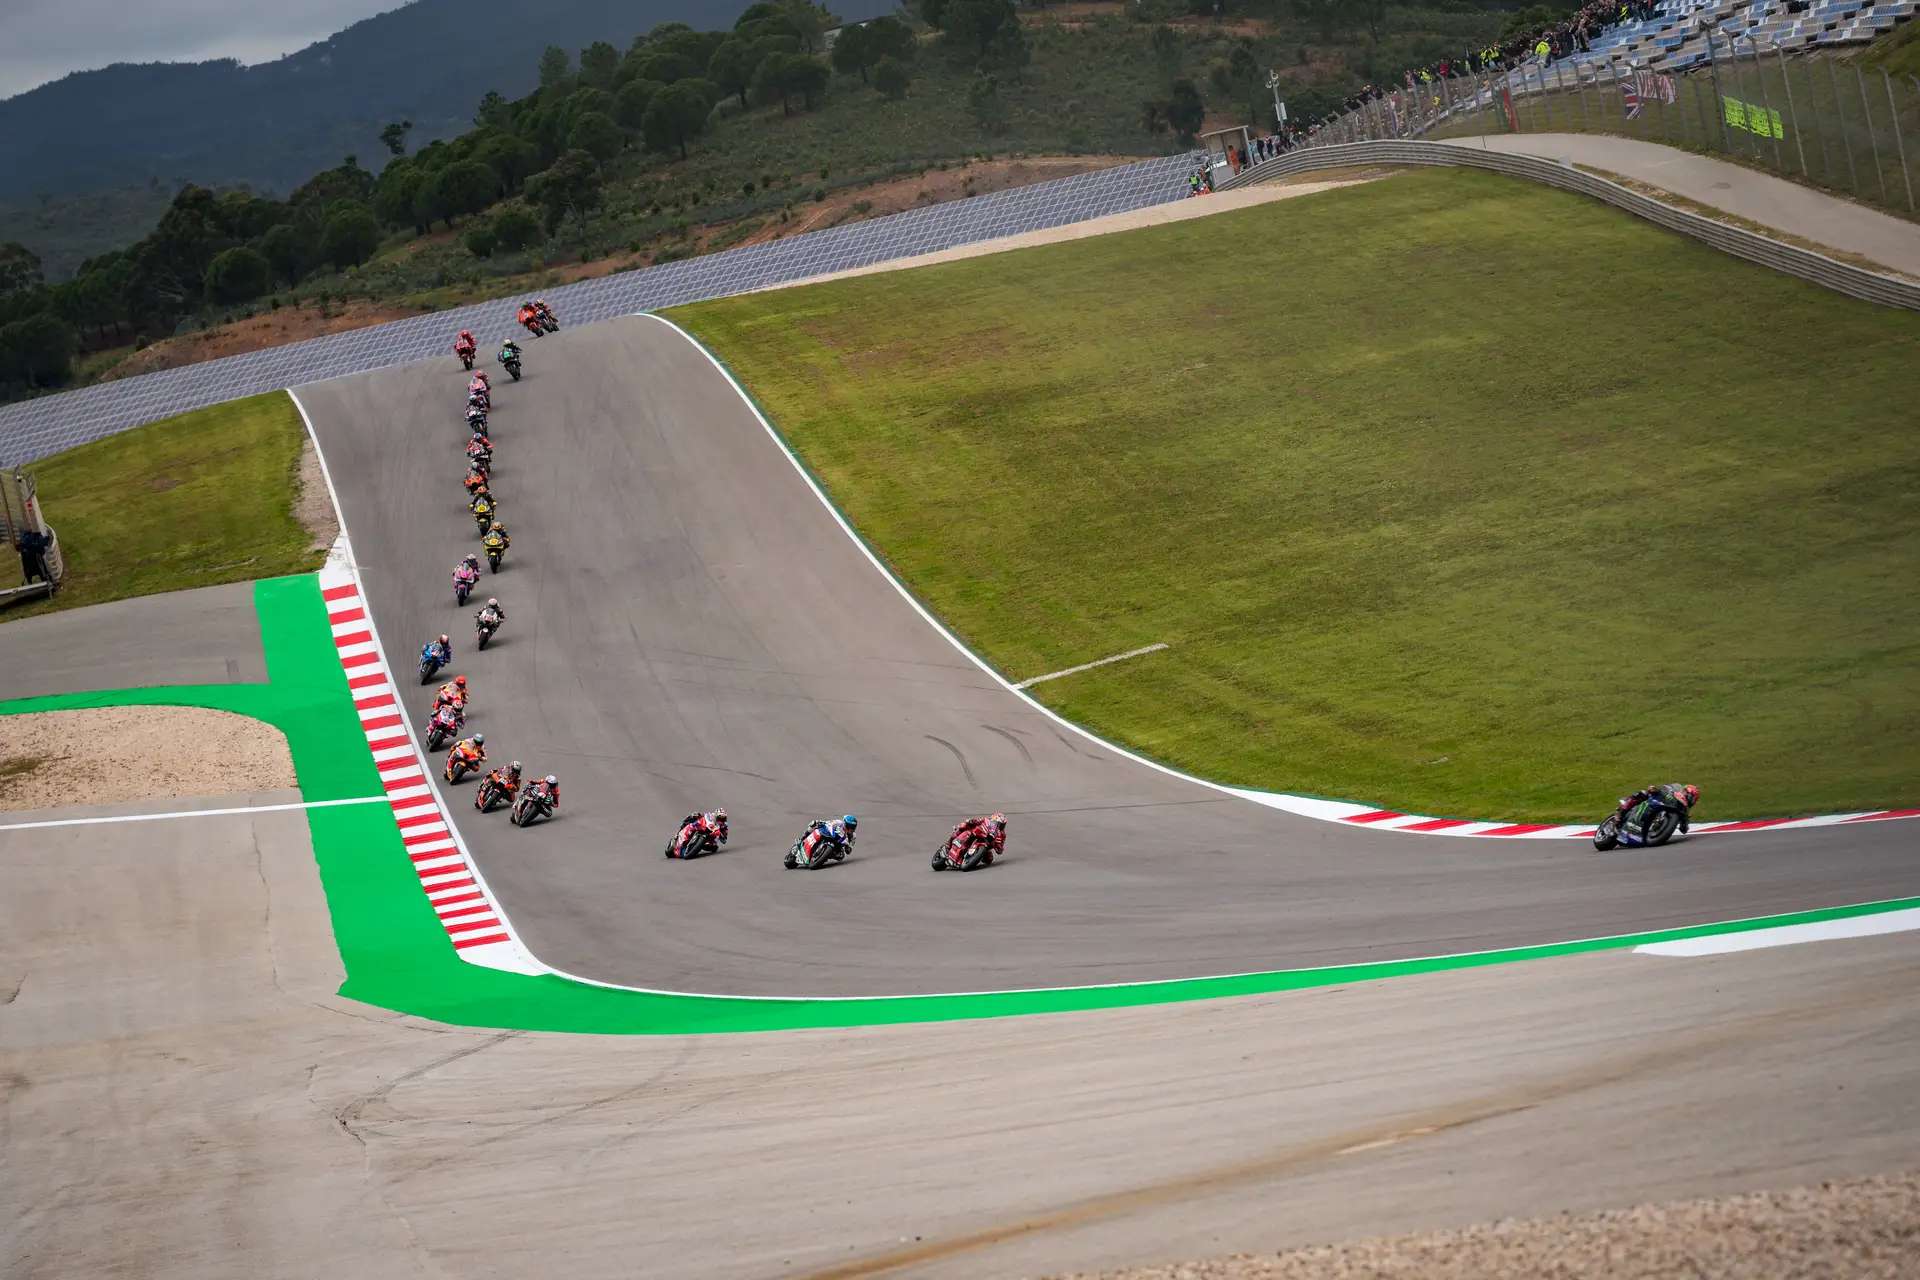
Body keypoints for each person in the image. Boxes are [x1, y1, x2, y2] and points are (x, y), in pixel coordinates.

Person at [1615, 783, 1699, 834]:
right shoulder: (1672, 793)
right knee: (1642, 793)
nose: (1692, 800)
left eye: (1694, 799)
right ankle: (1621, 813)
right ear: (1685, 791)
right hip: (1654, 801)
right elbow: (1657, 790)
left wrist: (1684, 824)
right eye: (1692, 797)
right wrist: (1654, 790)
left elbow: (1684, 830)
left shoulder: (1684, 811)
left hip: (1659, 815)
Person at [940, 812, 1007, 867]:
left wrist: (997, 846)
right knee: (963, 826)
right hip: (976, 834)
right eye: (997, 823)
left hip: (986, 845)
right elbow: (977, 821)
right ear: (992, 819)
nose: (999, 826)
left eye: (1001, 825)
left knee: (989, 860)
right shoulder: (986, 820)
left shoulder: (1002, 834)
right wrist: (971, 821)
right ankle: (948, 844)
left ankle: (971, 858)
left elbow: (1000, 849)